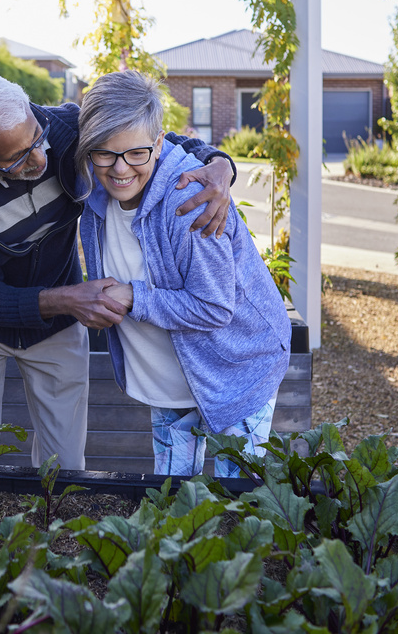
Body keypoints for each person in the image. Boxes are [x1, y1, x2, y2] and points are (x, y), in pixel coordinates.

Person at [0, 72, 236, 470]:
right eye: (17, 159)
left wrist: (219, 164)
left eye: (36, 138)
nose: (40, 158)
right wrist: (70, 300)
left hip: (57, 325)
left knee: (65, 464)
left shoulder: (66, 127)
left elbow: (154, 141)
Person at [75, 70, 291, 477]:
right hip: (169, 381)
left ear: (159, 143)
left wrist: (132, 297)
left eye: (136, 153)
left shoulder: (190, 201)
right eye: (104, 153)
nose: (120, 169)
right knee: (174, 508)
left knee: (236, 509)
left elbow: (213, 307)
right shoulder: (94, 190)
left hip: (235, 372)